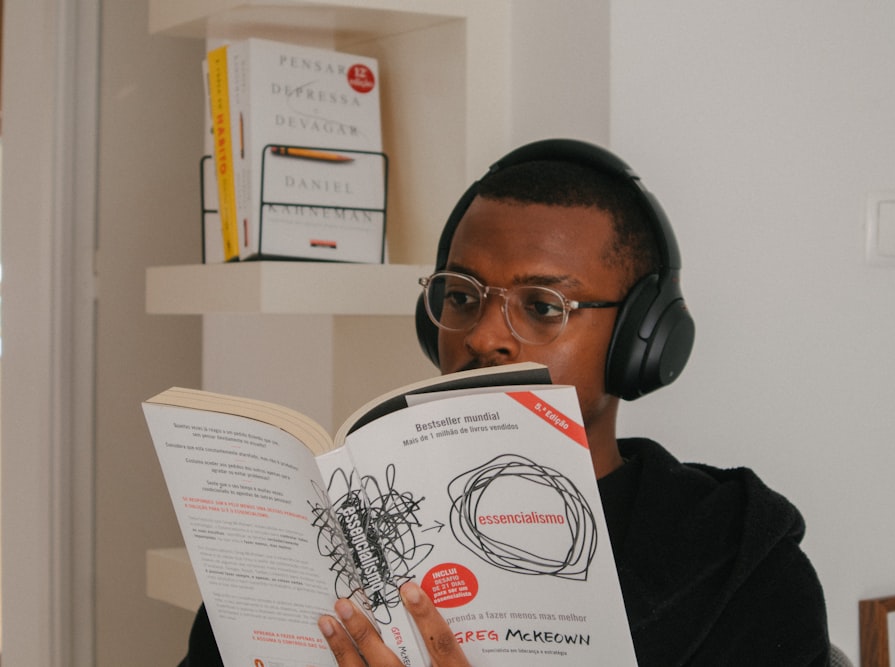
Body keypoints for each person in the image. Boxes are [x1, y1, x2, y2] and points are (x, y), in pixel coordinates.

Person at [178, 139, 830, 666]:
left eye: (543, 307)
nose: (485, 336)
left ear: (643, 339)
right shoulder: (323, 529)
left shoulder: (736, 559)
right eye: (460, 296)